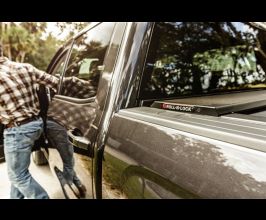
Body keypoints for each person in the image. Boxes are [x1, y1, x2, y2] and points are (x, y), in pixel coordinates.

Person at [0, 43, 58, 199]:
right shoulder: (26, 67)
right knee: (18, 173)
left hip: (17, 131)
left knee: (18, 176)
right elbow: (55, 82)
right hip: (36, 124)